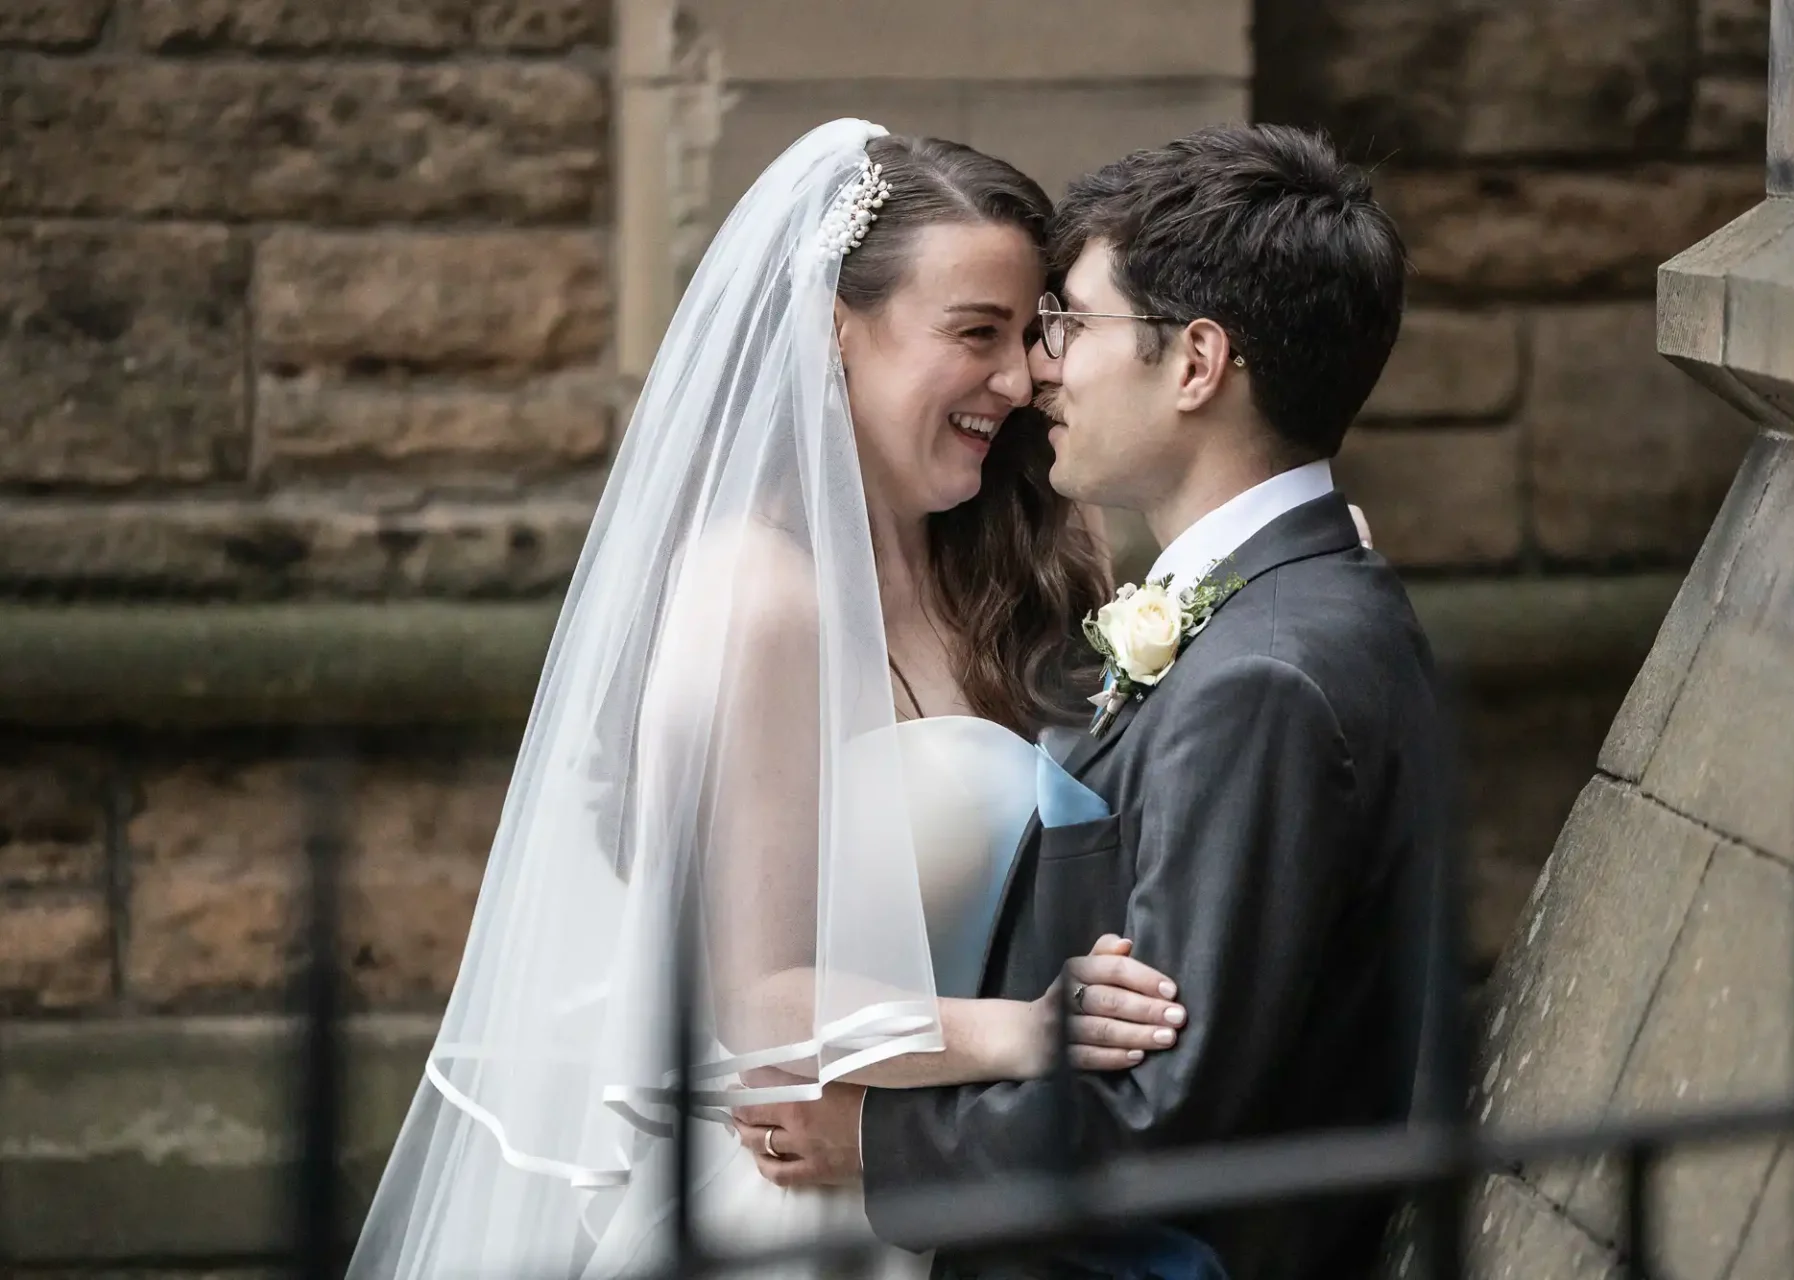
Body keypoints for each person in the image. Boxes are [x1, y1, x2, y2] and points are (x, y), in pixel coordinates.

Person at [346, 120, 1200, 1280]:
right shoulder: (760, 597)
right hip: (795, 1210)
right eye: (975, 334)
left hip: (955, 1193)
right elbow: (759, 998)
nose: (1019, 379)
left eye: (1033, 333)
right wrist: (1035, 1030)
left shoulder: (1018, 563)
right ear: (833, 329)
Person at [743, 124, 1441, 1280]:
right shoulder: (1271, 605)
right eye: (1003, 331)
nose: (1038, 369)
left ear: (1198, 362)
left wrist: (874, 1136)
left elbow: (1168, 1096)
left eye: (1066, 321)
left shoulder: (1266, 666)